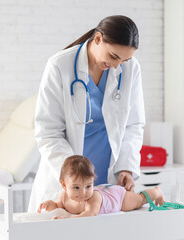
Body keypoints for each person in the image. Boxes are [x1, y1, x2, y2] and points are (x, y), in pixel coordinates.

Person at [29, 15, 145, 212]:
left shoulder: (130, 69)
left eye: (125, 60)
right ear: (98, 39)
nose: (117, 66)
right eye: (114, 57)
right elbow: (48, 133)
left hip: (107, 183)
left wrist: (126, 166)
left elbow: (133, 124)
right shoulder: (60, 65)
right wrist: (74, 177)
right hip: (69, 183)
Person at [37, 155, 165, 218]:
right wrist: (52, 205)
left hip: (117, 198)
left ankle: (156, 192)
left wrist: (67, 221)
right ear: (64, 185)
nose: (83, 193)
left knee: (139, 200)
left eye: (88, 186)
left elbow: (90, 214)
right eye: (76, 187)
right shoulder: (63, 196)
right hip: (107, 191)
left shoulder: (93, 198)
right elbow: (60, 206)